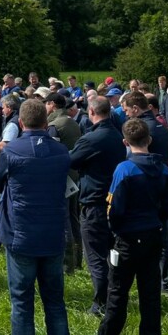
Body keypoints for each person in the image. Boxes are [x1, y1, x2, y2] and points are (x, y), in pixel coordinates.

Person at [77, 118, 168, 335]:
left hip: (127, 240)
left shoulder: (124, 169)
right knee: (150, 294)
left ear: (125, 142)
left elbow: (114, 208)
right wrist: (155, 217)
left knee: (118, 291)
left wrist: (117, 229)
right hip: (153, 236)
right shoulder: (163, 168)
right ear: (149, 140)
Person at [0, 99, 72, 335]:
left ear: (21, 122)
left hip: (21, 234)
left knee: (21, 303)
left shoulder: (11, 151)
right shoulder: (62, 152)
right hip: (52, 233)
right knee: (55, 302)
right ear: (45, 121)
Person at [69, 96, 126, 317]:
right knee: (113, 253)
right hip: (115, 200)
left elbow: (71, 161)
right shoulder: (116, 135)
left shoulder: (91, 139)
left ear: (91, 112)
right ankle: (115, 295)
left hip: (94, 201)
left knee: (95, 256)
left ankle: (100, 303)